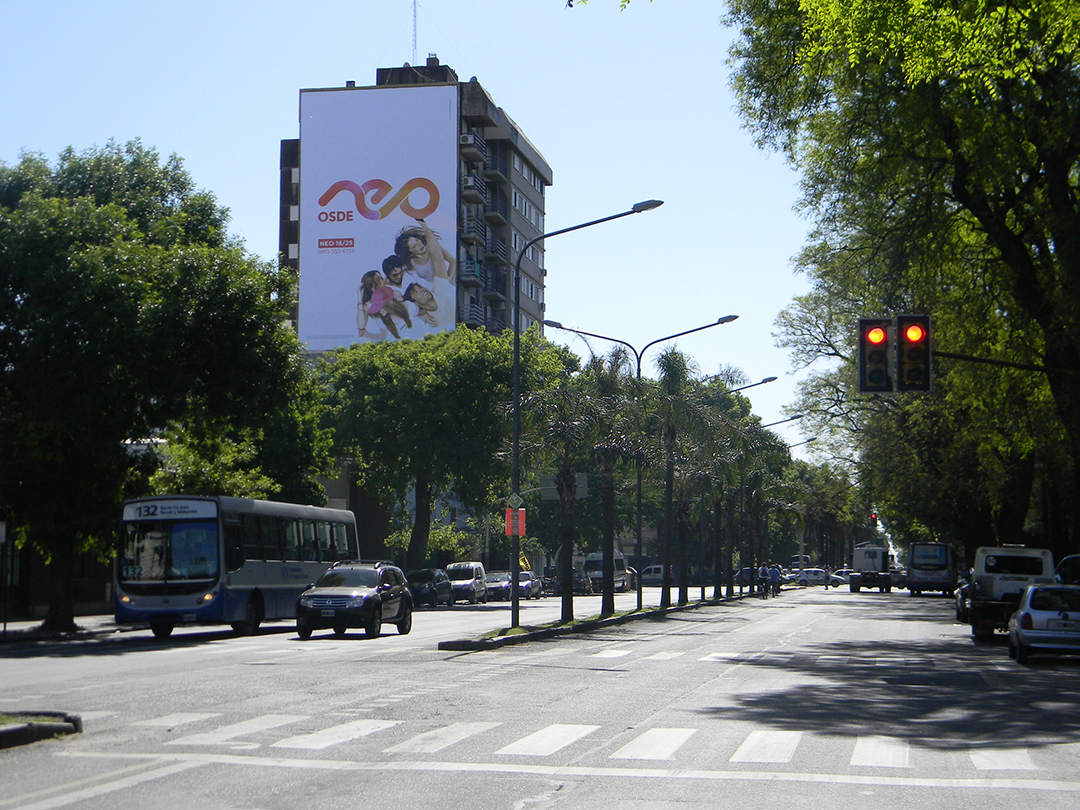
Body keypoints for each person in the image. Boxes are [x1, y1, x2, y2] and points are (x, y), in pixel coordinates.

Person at [394, 218, 456, 284]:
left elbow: (453, 261)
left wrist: (448, 279)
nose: (419, 244)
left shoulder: (431, 247)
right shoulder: (411, 263)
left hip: (449, 279)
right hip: (433, 288)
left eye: (417, 240)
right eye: (414, 246)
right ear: (410, 252)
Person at [357, 270, 411, 340]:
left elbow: (408, 312)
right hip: (391, 338)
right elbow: (361, 328)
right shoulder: (368, 305)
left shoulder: (394, 293)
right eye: (378, 278)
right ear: (372, 286)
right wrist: (360, 300)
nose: (382, 280)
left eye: (381, 277)